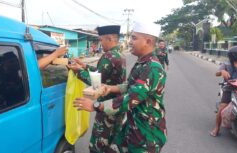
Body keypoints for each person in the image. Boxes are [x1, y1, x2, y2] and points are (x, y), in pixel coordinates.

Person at [73, 22, 167, 153]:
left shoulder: (153, 68)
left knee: (99, 147)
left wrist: (95, 106)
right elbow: (129, 86)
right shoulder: (142, 63)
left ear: (148, 41)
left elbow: (131, 99)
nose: (129, 42)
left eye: (134, 38)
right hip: (132, 126)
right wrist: (110, 87)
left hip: (146, 134)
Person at [68, 25, 126, 153]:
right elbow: (101, 73)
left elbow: (96, 83)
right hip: (116, 105)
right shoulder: (119, 55)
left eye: (101, 40)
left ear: (109, 38)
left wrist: (78, 72)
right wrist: (85, 66)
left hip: (106, 106)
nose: (100, 43)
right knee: (112, 143)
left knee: (98, 146)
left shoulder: (109, 56)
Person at [210, 46, 237, 137]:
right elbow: (217, 73)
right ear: (235, 55)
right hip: (229, 88)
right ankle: (216, 128)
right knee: (222, 108)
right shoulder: (226, 64)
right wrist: (222, 72)